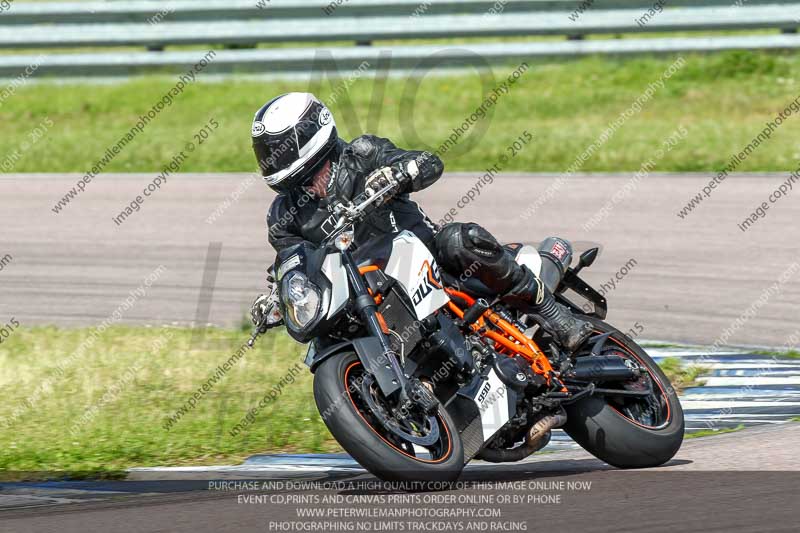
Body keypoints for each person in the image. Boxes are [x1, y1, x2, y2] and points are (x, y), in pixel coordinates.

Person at [250, 92, 591, 351]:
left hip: (430, 260)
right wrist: (278, 296)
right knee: (330, 337)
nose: (271, 157)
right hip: (366, 295)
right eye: (266, 150)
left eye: (278, 147)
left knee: (459, 239)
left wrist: (401, 171)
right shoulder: (283, 218)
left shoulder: (362, 154)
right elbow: (292, 265)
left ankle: (550, 311)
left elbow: (427, 162)